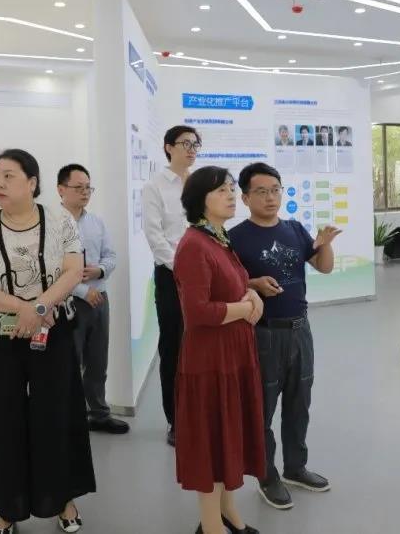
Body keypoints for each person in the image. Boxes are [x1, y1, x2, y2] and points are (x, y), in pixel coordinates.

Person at [0, 149, 96, 534]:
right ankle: (8, 506)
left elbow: (73, 271)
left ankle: (62, 499)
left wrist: (38, 307)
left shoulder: (61, 221)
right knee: (3, 419)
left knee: (57, 414)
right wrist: (23, 308)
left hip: (54, 332)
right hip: (0, 336)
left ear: (32, 183)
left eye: (8, 176)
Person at [229, 162, 341, 510]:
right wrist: (253, 284)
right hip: (263, 334)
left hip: (300, 329)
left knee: (299, 402)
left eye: (275, 190)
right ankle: (267, 475)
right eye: (261, 191)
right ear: (245, 198)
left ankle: (295, 467)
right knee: (263, 407)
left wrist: (324, 244)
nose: (270, 197)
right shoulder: (236, 237)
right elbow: (226, 283)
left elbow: (324, 267)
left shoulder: (294, 228)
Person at [173, 166, 265, 534]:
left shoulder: (218, 238)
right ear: (200, 200)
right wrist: (244, 308)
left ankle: (227, 511)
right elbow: (197, 312)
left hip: (233, 354)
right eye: (221, 190)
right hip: (210, 360)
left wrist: (251, 293)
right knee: (212, 442)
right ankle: (211, 525)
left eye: (230, 188)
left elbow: (231, 284)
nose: (231, 195)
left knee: (229, 437)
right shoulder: (194, 245)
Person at [57, 163, 129, 434]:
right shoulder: (51, 225)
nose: (85, 192)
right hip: (68, 301)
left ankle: (99, 413)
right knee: (68, 362)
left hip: (99, 299)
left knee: (98, 360)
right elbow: (51, 268)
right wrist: (82, 290)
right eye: (78, 187)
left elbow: (111, 255)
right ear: (61, 189)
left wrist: (100, 270)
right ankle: (70, 417)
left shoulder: (96, 222)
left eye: (88, 187)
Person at [142, 125, 201, 446]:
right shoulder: (155, 186)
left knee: (202, 344)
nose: (191, 149)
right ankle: (176, 420)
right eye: (185, 143)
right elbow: (155, 235)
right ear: (168, 147)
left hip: (203, 274)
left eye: (196, 144)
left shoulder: (201, 184)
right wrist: (182, 268)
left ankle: (200, 413)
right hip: (172, 275)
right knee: (174, 347)